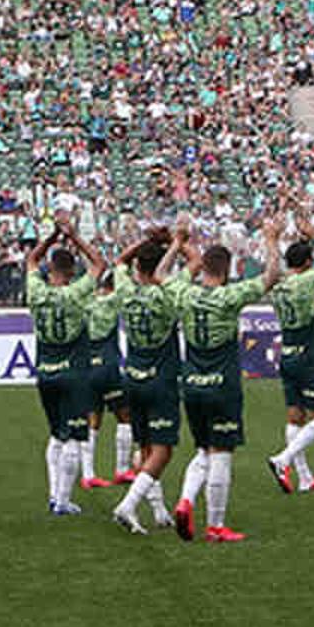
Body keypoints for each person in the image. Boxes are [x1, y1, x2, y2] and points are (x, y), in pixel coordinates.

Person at [172, 218, 282, 543]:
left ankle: (186, 499)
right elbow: (272, 277)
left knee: (203, 449)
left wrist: (178, 243)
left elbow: (163, 277)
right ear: (228, 268)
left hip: (191, 383)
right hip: (221, 385)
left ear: (202, 267)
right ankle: (216, 525)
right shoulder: (230, 296)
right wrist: (272, 239)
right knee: (221, 453)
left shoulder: (185, 294)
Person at [24, 216, 105, 515]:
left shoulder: (36, 291)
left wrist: (53, 234)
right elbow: (98, 264)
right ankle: (62, 499)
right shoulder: (74, 292)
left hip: (46, 371)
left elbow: (31, 258)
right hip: (73, 372)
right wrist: (74, 236)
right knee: (74, 436)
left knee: (56, 434)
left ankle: (53, 494)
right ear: (70, 272)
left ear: (49, 269)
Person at [110, 227, 186, 534]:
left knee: (145, 446)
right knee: (163, 450)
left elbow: (118, 261)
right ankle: (127, 506)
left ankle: (157, 509)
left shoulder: (125, 290)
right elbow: (193, 265)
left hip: (133, 376)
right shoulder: (165, 294)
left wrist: (148, 241)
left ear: (138, 268)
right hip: (161, 378)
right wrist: (176, 242)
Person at [264, 200, 314, 495]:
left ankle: (305, 477)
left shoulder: (279, 284)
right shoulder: (306, 281)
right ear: (308, 262)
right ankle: (282, 459)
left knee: (295, 414)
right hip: (308, 354)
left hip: (287, 352)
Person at [82, 266, 137, 490]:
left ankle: (88, 474)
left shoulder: (86, 302)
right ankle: (122, 469)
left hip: (88, 365)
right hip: (108, 365)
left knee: (93, 420)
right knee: (125, 416)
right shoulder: (112, 301)